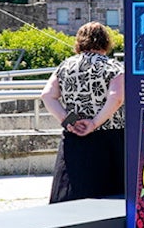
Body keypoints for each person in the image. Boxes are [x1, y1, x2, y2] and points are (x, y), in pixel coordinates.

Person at [41, 21, 125, 203]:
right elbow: (117, 97)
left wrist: (68, 120)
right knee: (111, 197)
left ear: (79, 42)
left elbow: (47, 95)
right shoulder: (114, 67)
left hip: (74, 139)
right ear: (106, 42)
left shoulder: (65, 66)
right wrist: (95, 122)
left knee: (71, 195)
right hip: (109, 140)